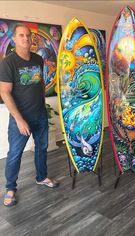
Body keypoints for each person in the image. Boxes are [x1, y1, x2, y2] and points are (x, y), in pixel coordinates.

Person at [0, 24, 59, 207]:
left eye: (28, 35)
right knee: (15, 154)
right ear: (14, 39)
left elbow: (40, 83)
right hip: (21, 118)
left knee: (42, 149)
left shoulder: (38, 59)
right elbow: (4, 92)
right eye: (21, 35)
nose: (25, 38)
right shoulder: (8, 63)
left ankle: (41, 177)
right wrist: (19, 119)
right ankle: (10, 188)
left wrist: (42, 103)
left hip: (40, 114)